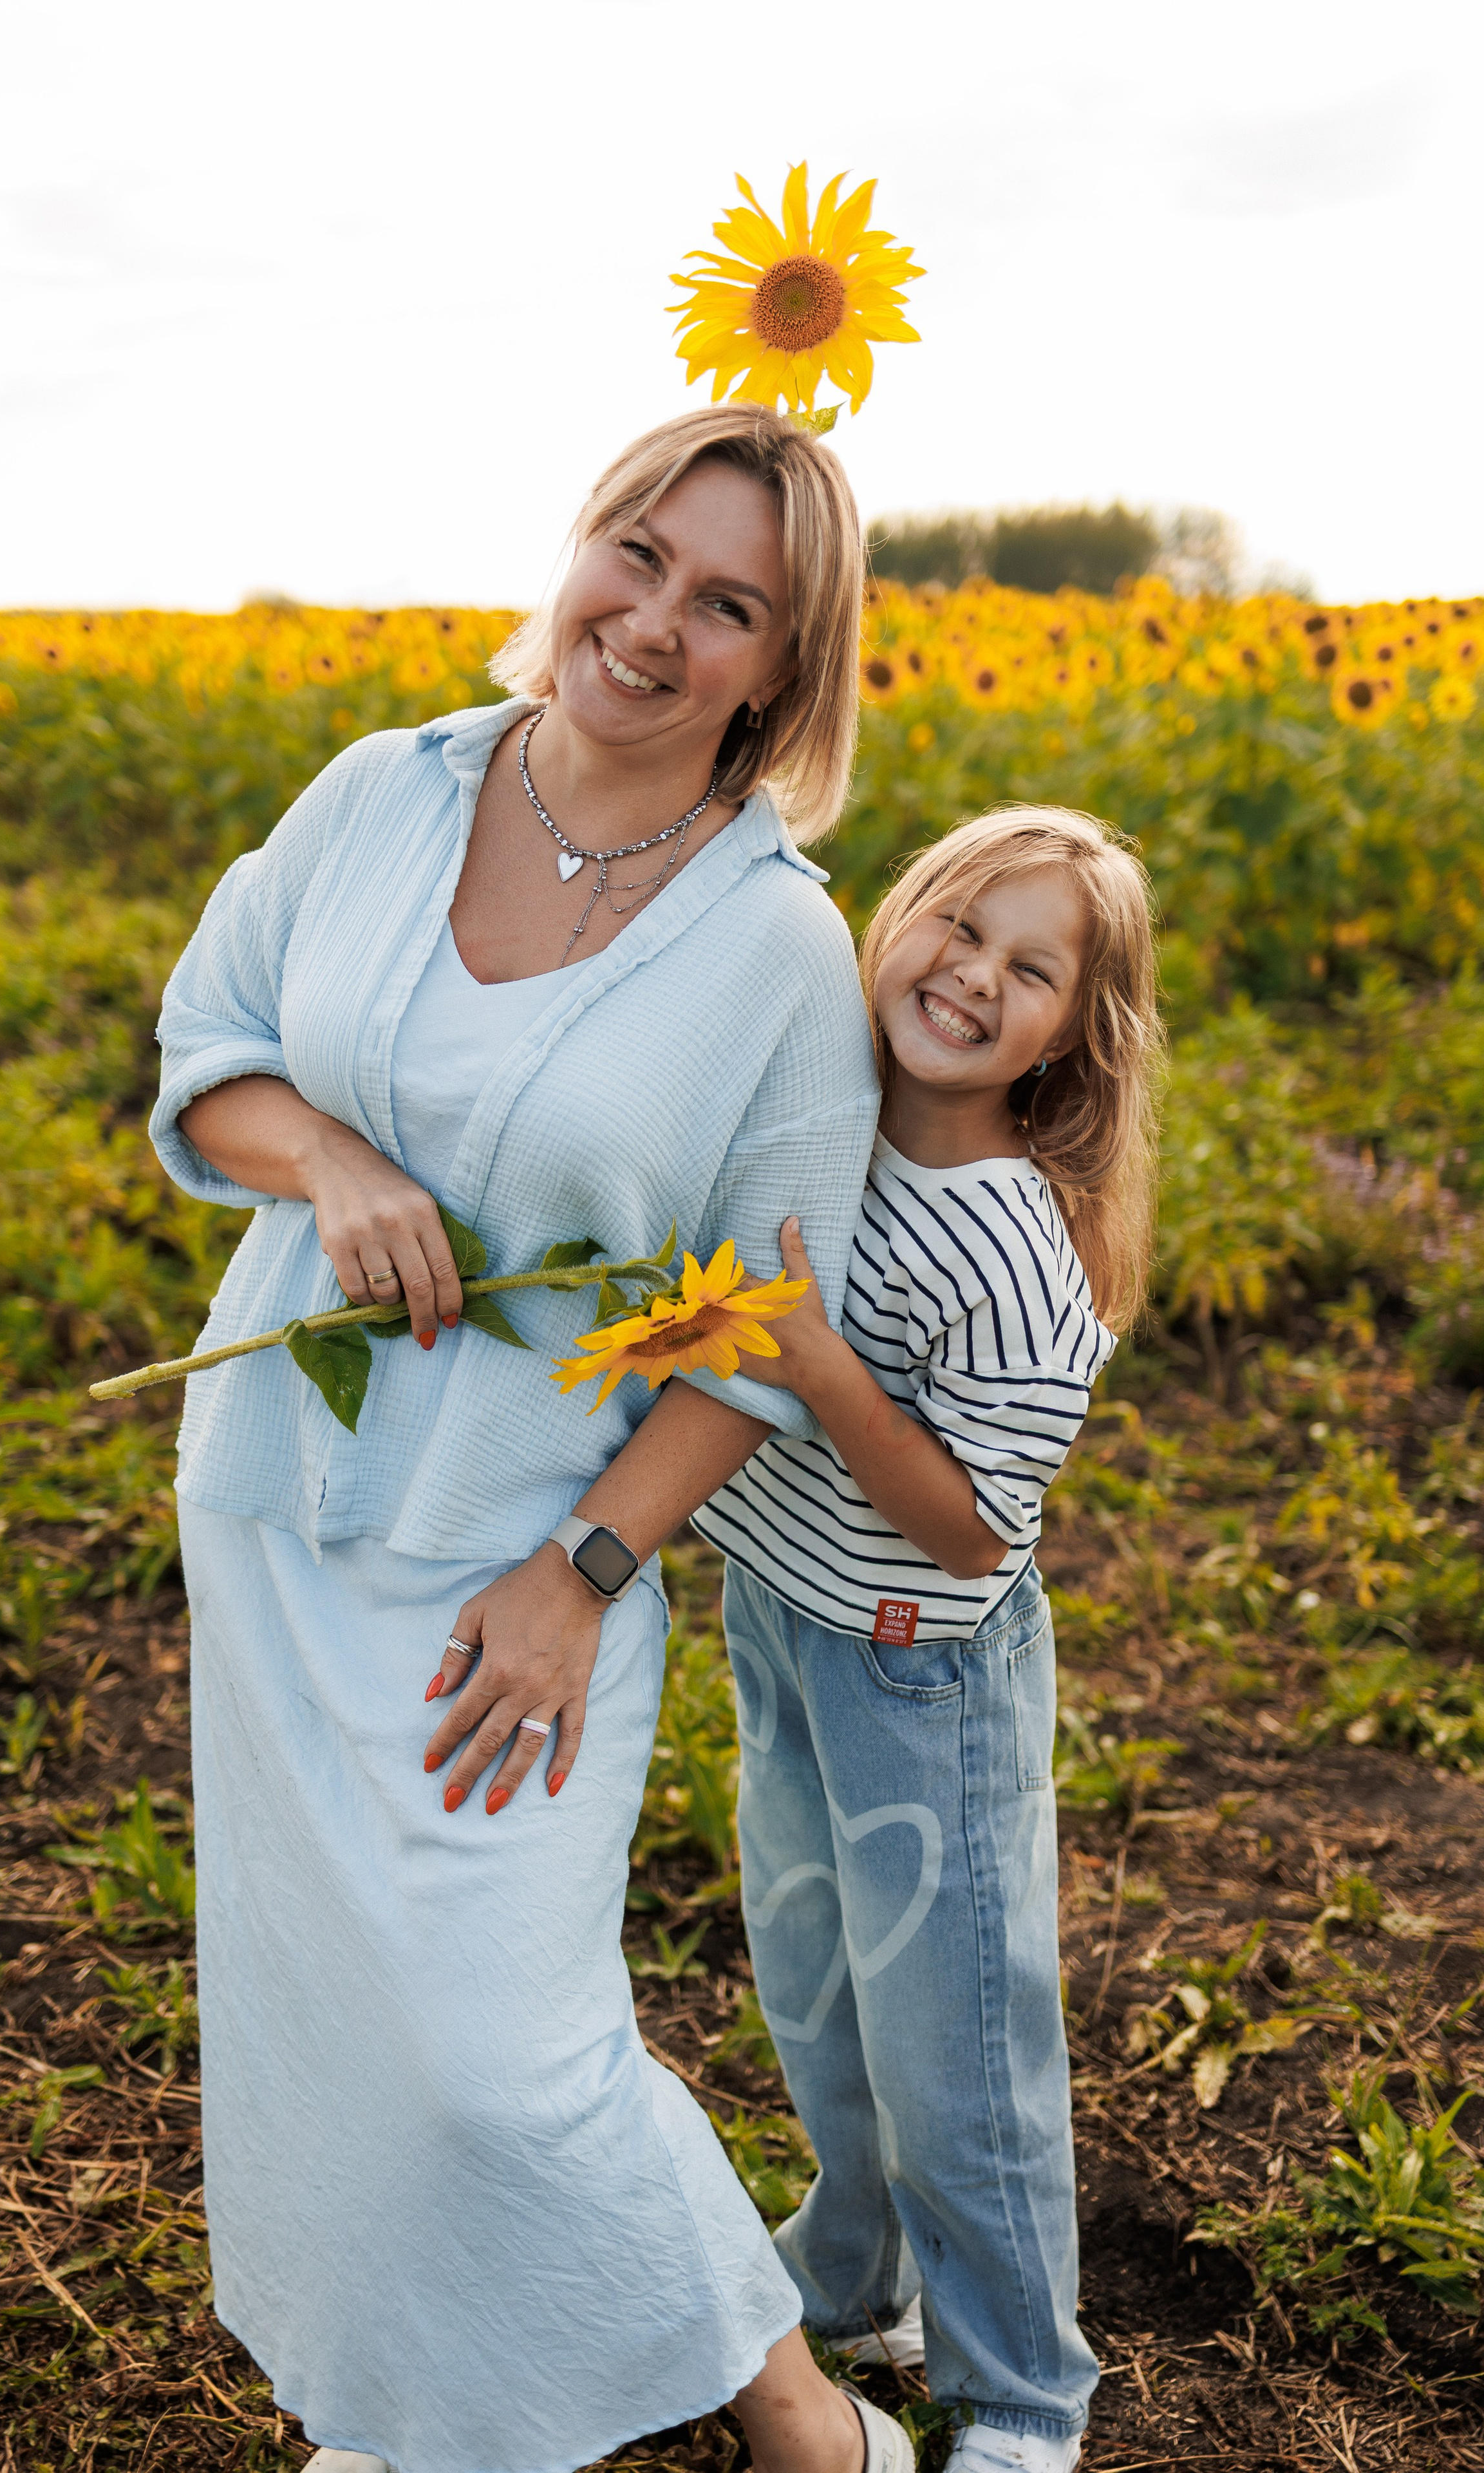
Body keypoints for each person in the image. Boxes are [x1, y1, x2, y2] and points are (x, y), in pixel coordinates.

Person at [148, 405, 914, 2473]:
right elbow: (206, 1048)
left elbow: (760, 1332)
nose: (653, 624)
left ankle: (791, 2406)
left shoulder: (776, 946)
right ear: (581, 545)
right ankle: (396, 2407)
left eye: (727, 602)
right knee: (339, 2023)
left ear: (782, 666)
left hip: (523, 1562)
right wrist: (331, 1164)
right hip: (278, 1505)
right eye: (640, 556)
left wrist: (585, 1575)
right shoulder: (379, 794)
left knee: (502, 2055)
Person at [697, 806, 1163, 2473]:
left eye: (1030, 967)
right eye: (961, 924)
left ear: (1069, 1038)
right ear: (901, 918)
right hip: (786, 1618)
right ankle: (857, 2269)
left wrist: (823, 1366)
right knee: (819, 1989)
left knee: (955, 2031)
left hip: (918, 1661)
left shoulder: (1014, 1243)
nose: (973, 976)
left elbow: (976, 1521)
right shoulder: (828, 1117)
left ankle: (1023, 2385)